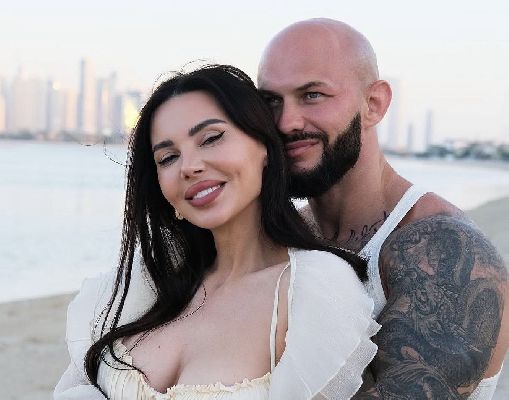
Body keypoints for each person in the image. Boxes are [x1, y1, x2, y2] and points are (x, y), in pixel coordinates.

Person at [54, 64, 381, 399]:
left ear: (264, 147)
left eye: (211, 139)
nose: (189, 166)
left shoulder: (315, 287)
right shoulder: (147, 282)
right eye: (167, 158)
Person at [257, 18, 509, 399]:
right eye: (270, 101)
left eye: (312, 95)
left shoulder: (445, 249)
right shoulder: (283, 236)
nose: (286, 122)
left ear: (373, 104)